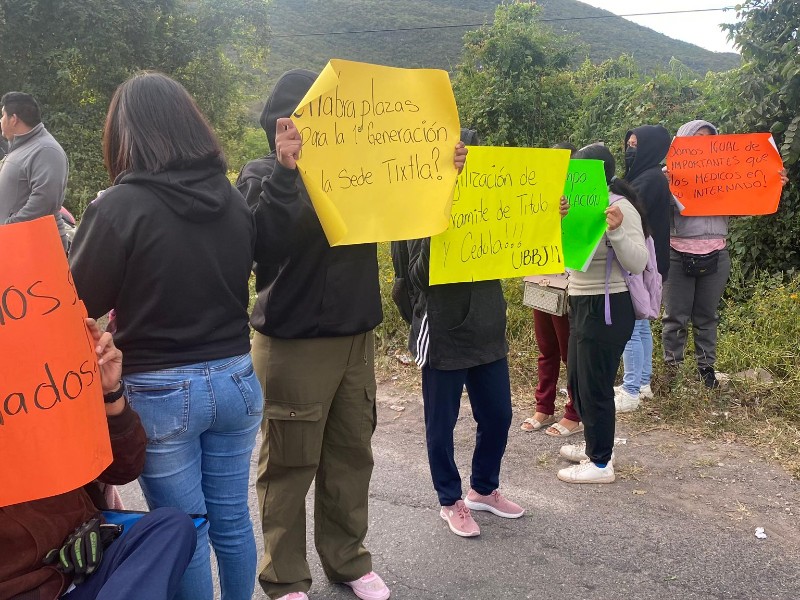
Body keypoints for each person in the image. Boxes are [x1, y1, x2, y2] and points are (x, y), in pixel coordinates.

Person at [68, 72, 261, 600]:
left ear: (124, 135)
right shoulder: (232, 198)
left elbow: (75, 308)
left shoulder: (116, 208)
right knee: (232, 519)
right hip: (238, 379)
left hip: (160, 391)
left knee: (186, 530)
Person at [244, 68, 389, 600]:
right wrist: (288, 173)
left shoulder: (366, 173)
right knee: (288, 463)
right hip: (293, 344)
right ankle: (283, 578)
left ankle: (348, 560)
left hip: (356, 338)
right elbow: (263, 246)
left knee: (352, 456)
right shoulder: (261, 174)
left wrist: (445, 174)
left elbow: (414, 212)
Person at [0, 319, 196, 600]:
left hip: (83, 567)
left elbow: (122, 468)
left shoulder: (36, 394)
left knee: (171, 527)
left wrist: (109, 393)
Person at [404, 129, 523, 538]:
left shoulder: (494, 201)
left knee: (499, 415)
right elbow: (416, 276)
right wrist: (444, 216)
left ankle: (483, 490)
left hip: (487, 330)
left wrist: (545, 214)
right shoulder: (421, 207)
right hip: (443, 334)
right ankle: (450, 500)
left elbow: (521, 241)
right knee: (442, 423)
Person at [662, 120, 790, 388]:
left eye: (709, 139)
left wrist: (771, 183)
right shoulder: (667, 175)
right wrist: (663, 185)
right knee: (676, 317)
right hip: (677, 252)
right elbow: (652, 210)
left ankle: (706, 370)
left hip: (716, 253)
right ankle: (672, 373)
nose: (703, 144)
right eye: (697, 139)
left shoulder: (726, 173)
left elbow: (745, 202)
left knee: (707, 316)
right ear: (682, 142)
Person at [557, 143, 648, 484]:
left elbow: (638, 262)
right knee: (578, 382)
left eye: (582, 173)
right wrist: (558, 219)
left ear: (601, 175)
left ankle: (600, 464)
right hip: (579, 299)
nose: (575, 179)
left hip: (608, 305)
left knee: (595, 385)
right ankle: (596, 445)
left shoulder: (620, 208)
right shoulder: (573, 204)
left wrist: (618, 230)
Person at [520, 142, 583, 438]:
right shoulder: (536, 191)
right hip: (539, 278)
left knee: (569, 350)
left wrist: (567, 214)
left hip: (567, 282)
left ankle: (574, 412)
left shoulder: (582, 196)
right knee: (546, 349)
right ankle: (543, 407)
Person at [616, 125, 672, 412]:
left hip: (641, 261)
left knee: (632, 326)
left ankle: (631, 389)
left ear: (650, 147)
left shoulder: (649, 180)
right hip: (653, 260)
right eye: (629, 143)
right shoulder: (648, 177)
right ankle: (644, 382)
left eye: (637, 144)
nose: (630, 149)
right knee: (643, 323)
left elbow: (631, 217)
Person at [0, 92, 70, 250]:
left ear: (14, 119)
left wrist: (9, 226)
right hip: (16, 244)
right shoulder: (22, 147)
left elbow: (45, 199)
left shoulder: (46, 150)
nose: (0, 120)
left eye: (2, 115)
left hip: (36, 249)